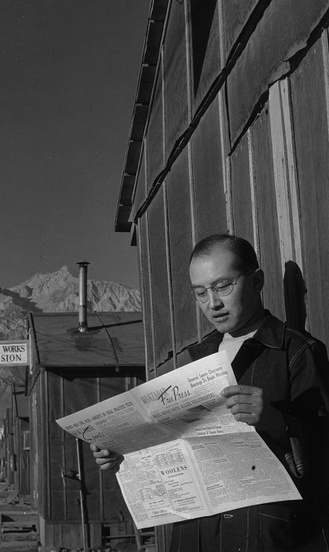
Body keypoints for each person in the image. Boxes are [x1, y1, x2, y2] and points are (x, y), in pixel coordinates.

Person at [93, 234, 329, 552]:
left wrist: (278, 423)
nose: (212, 303)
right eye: (201, 293)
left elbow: (323, 455)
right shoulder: (191, 360)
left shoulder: (297, 352)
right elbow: (171, 447)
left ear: (257, 281)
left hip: (264, 535)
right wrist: (124, 452)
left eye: (222, 286)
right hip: (196, 535)